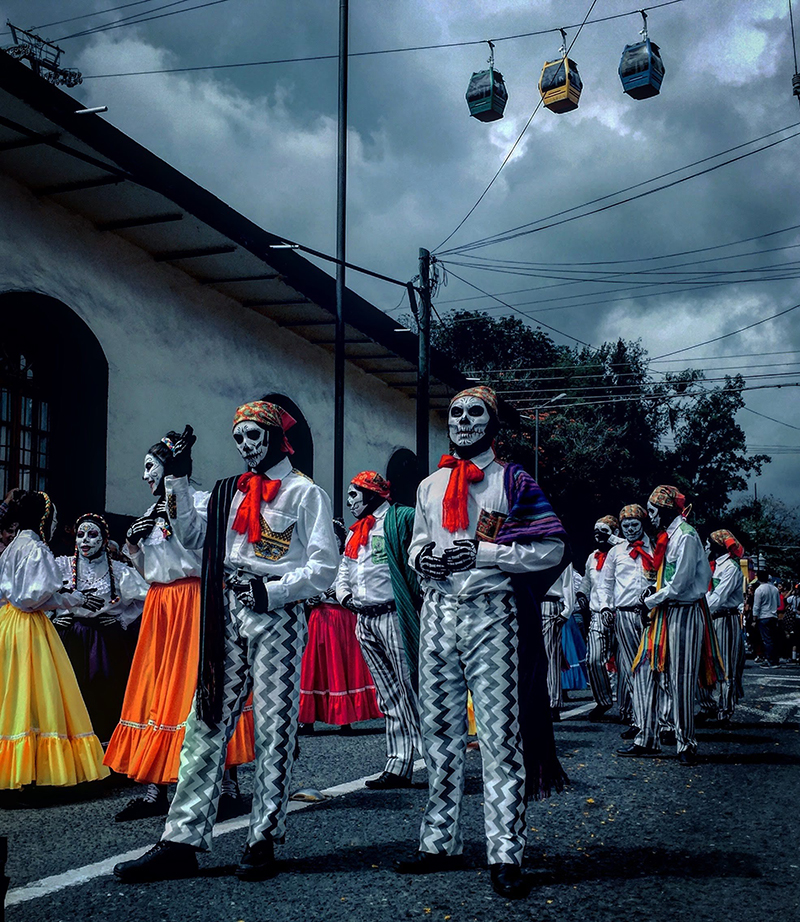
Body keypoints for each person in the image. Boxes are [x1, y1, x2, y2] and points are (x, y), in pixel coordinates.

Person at [114, 399, 339, 884]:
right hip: (224, 615)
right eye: (238, 439)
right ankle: (180, 840)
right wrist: (177, 476)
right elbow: (193, 537)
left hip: (276, 617)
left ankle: (263, 836)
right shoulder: (227, 493)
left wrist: (272, 590)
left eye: (254, 436)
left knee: (274, 728)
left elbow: (323, 568)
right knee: (205, 720)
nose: (246, 446)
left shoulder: (305, 494)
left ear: (278, 437)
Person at [397, 386, 568, 900]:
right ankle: (438, 842)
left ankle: (505, 853)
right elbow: (419, 541)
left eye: (475, 413)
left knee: (498, 737)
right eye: (455, 413)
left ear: (492, 424)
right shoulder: (430, 485)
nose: (463, 420)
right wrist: (420, 559)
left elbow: (552, 546)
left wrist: (488, 554)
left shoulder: (512, 480)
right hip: (437, 613)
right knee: (440, 734)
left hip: (493, 615)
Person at [104, 428, 253, 822]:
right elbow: (148, 573)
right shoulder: (146, 519)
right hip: (162, 608)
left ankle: (227, 786)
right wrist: (133, 548)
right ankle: (155, 788)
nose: (144, 476)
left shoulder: (198, 503)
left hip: (196, 601)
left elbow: (200, 545)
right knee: (156, 689)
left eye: (150, 466)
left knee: (204, 686)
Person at [0, 491, 109, 790]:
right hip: (29, 625)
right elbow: (39, 597)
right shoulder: (36, 549)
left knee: (13, 694)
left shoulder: (10, 548)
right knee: (38, 694)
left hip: (8, 622)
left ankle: (13, 771)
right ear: (44, 519)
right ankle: (33, 773)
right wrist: (75, 598)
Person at [335, 470, 423, 788]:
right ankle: (399, 762)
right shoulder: (355, 533)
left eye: (354, 494)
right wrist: (344, 596)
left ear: (372, 494)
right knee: (387, 694)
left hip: (394, 616)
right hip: (365, 620)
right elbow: (344, 568)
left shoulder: (398, 521)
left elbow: (418, 564)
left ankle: (438, 758)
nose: (349, 501)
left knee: (411, 686)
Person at [623, 485, 722, 766]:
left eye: (653, 511)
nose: (649, 516)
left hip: (684, 612)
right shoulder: (669, 536)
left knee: (680, 679)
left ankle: (686, 743)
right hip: (664, 612)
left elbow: (679, 584)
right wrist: (652, 599)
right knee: (644, 669)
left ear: (665, 511)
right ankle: (647, 737)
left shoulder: (687, 537)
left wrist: (650, 601)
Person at [52, 513, 149, 744]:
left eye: (92, 535)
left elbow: (145, 596)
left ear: (104, 540)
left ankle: (104, 747)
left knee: (104, 689)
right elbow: (44, 593)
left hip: (104, 640)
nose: (85, 540)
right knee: (69, 689)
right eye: (81, 535)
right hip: (69, 637)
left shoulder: (118, 570)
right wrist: (53, 617)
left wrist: (122, 619)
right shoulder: (62, 565)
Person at [299, 519, 383, 735]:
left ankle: (345, 719)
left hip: (342, 618)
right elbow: (305, 589)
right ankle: (307, 719)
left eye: (335, 536)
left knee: (342, 666)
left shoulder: (348, 559)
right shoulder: (313, 562)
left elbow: (357, 585)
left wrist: (336, 594)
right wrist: (313, 597)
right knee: (316, 667)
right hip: (320, 618)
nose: (331, 540)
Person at [598, 504, 656, 739]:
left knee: (654, 666)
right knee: (632, 668)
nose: (630, 529)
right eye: (626, 526)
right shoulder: (617, 552)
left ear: (643, 524)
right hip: (623, 614)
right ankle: (639, 719)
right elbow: (606, 583)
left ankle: (661, 720)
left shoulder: (656, 547)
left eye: (635, 525)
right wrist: (605, 606)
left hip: (651, 614)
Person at [696, 529, 746, 726]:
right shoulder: (710, 566)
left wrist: (697, 608)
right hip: (709, 618)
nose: (706, 546)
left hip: (725, 619)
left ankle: (725, 711)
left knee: (726, 667)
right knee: (703, 662)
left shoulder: (731, 569)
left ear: (718, 546)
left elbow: (718, 598)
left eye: (709, 543)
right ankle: (708, 705)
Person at [576, 516, 621, 720]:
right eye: (596, 530)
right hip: (597, 615)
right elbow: (586, 581)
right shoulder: (592, 557)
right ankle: (603, 700)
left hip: (620, 613)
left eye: (604, 531)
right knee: (593, 659)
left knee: (625, 663)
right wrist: (581, 594)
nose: (598, 534)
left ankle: (630, 710)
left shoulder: (623, 553)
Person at [541, 564, 576, 721]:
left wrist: (567, 610)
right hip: (530, 604)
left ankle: (553, 704)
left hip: (550, 603)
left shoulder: (560, 554)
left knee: (551, 657)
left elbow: (568, 583)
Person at [752, 570, 781, 668]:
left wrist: (754, 619)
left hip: (763, 616)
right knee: (774, 638)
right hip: (773, 615)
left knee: (766, 640)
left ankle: (770, 660)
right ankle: (775, 660)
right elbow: (778, 604)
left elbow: (756, 606)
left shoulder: (759, 590)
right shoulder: (775, 589)